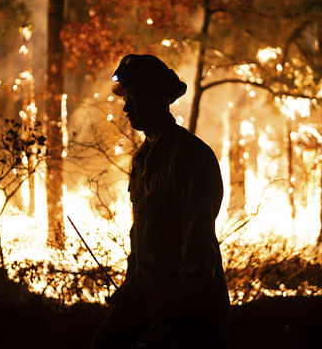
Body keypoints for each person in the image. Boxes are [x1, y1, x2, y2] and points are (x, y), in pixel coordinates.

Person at [90, 54, 230, 349]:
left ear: (159, 97)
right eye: (126, 98)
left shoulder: (190, 157)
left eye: (135, 96)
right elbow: (140, 238)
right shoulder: (142, 160)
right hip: (147, 295)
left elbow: (197, 245)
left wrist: (180, 317)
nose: (127, 107)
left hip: (188, 309)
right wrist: (129, 291)